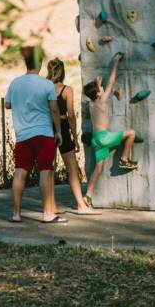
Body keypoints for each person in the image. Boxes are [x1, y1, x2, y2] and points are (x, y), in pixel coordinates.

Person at [5, 46, 67, 224]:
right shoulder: (46, 84)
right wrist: (58, 132)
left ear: (26, 62)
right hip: (43, 134)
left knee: (19, 172)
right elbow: (54, 109)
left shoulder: (15, 83)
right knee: (45, 172)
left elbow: (7, 105)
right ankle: (48, 214)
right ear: (40, 63)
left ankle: (16, 214)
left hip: (22, 134)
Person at [82, 52, 138, 208]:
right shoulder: (102, 101)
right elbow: (112, 82)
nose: (102, 90)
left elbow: (98, 91)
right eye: (100, 89)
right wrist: (115, 62)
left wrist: (98, 85)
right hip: (104, 137)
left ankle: (88, 195)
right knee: (131, 133)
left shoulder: (93, 104)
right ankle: (124, 159)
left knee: (99, 168)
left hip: (96, 139)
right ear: (99, 94)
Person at [46, 59, 99, 215]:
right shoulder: (67, 90)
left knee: (49, 169)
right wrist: (75, 137)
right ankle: (81, 206)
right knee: (72, 169)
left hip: (46, 128)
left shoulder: (44, 88)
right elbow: (71, 116)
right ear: (63, 71)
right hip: (61, 128)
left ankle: (52, 205)